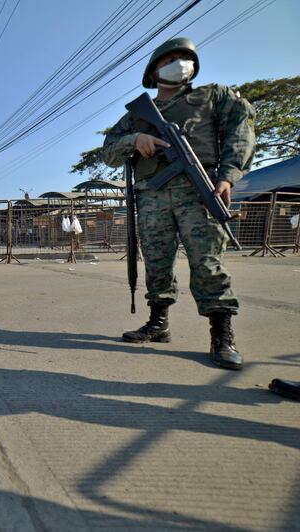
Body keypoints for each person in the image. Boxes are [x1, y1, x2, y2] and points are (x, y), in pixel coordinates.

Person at [102, 37, 255, 370]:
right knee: (156, 261)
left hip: (199, 192)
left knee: (208, 262)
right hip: (152, 196)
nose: (180, 63)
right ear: (154, 72)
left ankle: (222, 335)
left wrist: (227, 176)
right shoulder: (138, 115)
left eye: (185, 58)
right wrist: (135, 139)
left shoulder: (213, 97)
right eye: (170, 58)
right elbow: (109, 150)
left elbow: (240, 133)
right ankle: (159, 323)